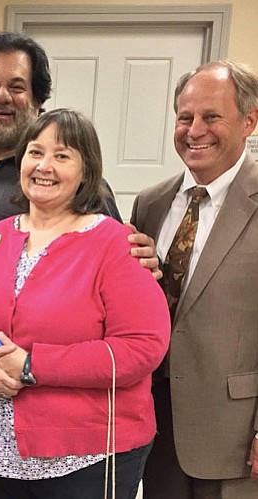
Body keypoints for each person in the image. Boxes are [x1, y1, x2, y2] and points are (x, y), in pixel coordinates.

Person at [0, 109, 170, 499]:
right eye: (35, 152)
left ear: (86, 170)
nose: (44, 166)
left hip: (90, 459)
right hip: (0, 458)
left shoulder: (116, 245)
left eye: (62, 156)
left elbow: (142, 348)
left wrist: (33, 365)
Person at [0, 31, 159, 278]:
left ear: (37, 101)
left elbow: (123, 262)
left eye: (17, 87)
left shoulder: (73, 184)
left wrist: (144, 260)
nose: (1, 96)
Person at [132, 60, 258, 498]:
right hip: (155, 427)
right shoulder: (150, 204)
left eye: (211, 117)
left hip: (236, 438)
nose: (194, 130)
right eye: (185, 117)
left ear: (249, 121)